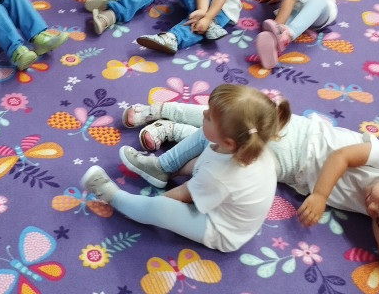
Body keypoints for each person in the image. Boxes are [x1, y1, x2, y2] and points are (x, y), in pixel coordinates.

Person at [121, 101, 379, 294]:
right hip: (296, 138)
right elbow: (342, 156)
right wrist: (321, 195)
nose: (370, 207)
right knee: (228, 118)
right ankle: (161, 111)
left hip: (285, 169)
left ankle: (172, 135)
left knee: (221, 163)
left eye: (376, 216)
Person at [82, 84, 288, 253]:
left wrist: (143, 208)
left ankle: (116, 198)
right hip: (220, 190)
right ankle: (162, 168)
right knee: (204, 136)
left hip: (221, 229)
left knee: (161, 209)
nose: (204, 112)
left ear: (229, 142)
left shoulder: (219, 176)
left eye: (209, 117)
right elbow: (208, 162)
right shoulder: (246, 146)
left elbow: (184, 194)